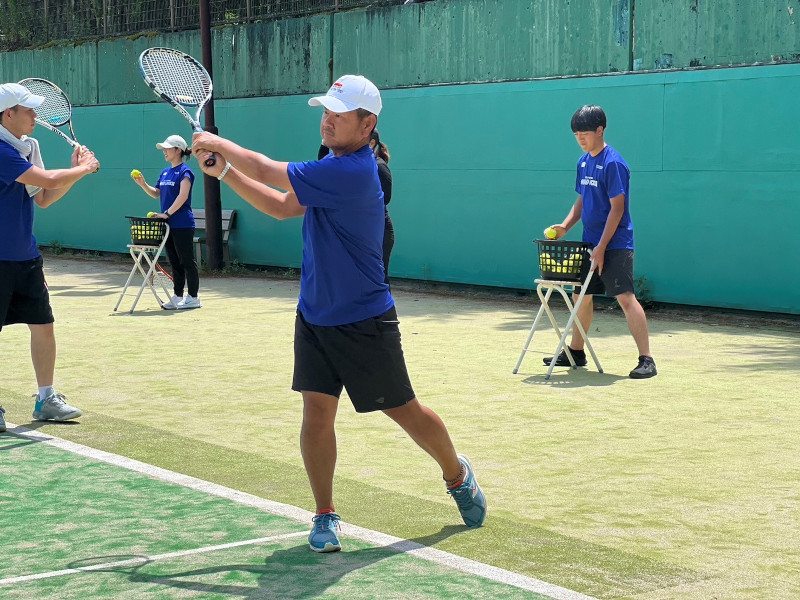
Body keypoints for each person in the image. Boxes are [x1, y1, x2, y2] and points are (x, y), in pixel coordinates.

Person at [191, 74, 486, 552]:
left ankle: (457, 474)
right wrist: (226, 173)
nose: (327, 120)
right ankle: (325, 514)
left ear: (367, 124)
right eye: (325, 111)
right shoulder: (331, 162)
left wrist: (221, 143)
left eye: (338, 114)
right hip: (314, 314)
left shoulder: (353, 171)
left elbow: (270, 170)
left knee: (403, 410)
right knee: (316, 410)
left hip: (364, 319)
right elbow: (284, 207)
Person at [0, 82, 100, 433]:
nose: (34, 116)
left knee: (43, 325)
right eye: (27, 110)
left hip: (24, 256)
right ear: (7, 114)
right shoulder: (1, 150)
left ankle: (46, 399)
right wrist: (84, 169)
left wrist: (74, 173)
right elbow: (45, 178)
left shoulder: (26, 146)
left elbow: (42, 196)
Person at [544, 105, 657, 379]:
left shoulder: (614, 163)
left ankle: (647, 360)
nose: (580, 138)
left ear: (600, 130)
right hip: (590, 244)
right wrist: (565, 226)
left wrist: (603, 247)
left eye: (585, 133)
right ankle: (576, 352)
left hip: (616, 244)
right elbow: (582, 200)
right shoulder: (583, 162)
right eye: (576, 134)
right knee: (580, 297)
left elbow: (617, 209)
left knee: (625, 298)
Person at [131, 135, 201, 310]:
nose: (165, 151)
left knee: (186, 260)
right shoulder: (165, 172)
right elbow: (156, 193)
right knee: (174, 262)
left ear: (178, 150)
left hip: (183, 224)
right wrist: (143, 184)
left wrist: (167, 214)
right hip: (168, 226)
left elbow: (183, 196)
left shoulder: (185, 172)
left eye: (168, 148)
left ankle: (193, 297)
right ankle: (177, 297)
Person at [369, 129, 394, 284]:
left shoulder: (379, 166)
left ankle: (386, 308)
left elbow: (386, 198)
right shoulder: (355, 165)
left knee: (378, 278)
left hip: (379, 231)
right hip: (365, 230)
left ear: (372, 143)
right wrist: (325, 143)